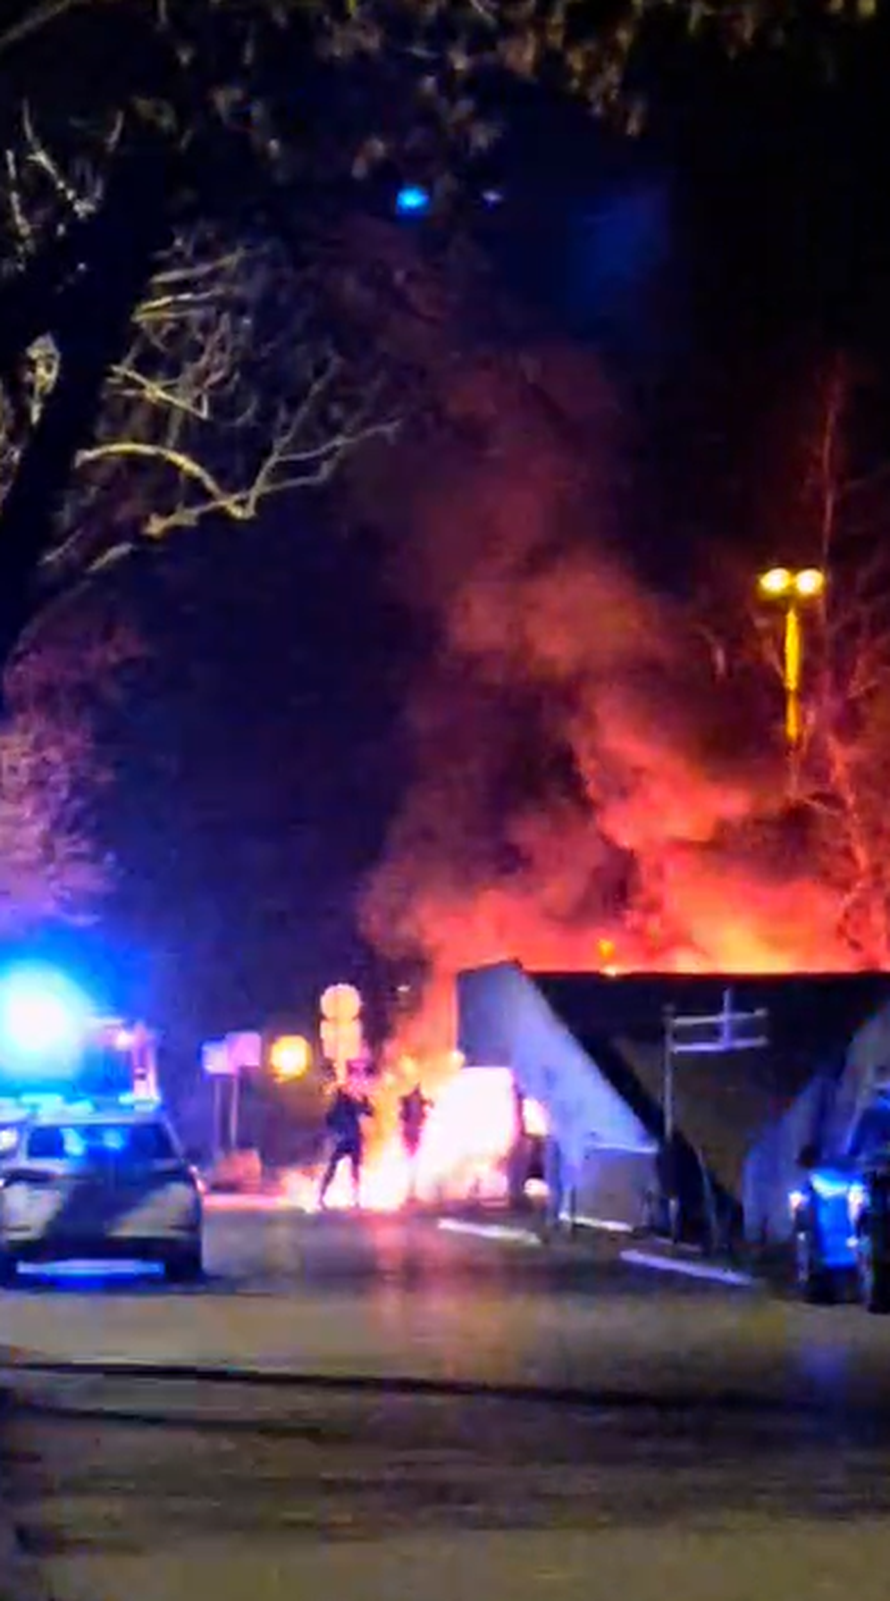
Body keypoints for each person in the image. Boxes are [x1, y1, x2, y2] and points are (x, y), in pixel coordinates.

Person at [319, 1086, 372, 1209]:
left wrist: (365, 1102)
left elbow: (368, 1112)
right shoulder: (342, 1108)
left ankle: (355, 1199)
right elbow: (328, 1122)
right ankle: (323, 1197)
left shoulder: (349, 1106)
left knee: (351, 1170)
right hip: (348, 1141)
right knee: (343, 1169)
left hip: (351, 1141)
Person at [399, 1084, 431, 1201]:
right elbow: (402, 1118)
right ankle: (409, 1190)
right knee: (410, 1161)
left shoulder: (418, 1103)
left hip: (414, 1133)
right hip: (410, 1133)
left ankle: (411, 1190)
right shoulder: (407, 1103)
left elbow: (426, 1114)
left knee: (413, 1161)